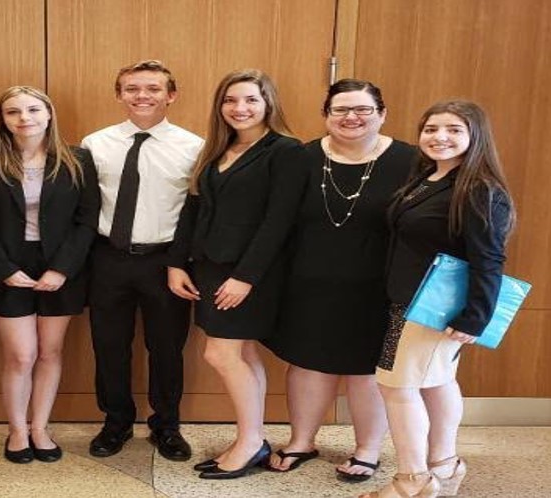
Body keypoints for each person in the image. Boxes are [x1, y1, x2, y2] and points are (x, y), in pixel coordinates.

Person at [263, 80, 415, 481]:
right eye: (341, 110)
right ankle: (301, 440)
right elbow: (278, 219)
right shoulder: (302, 157)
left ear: (382, 114)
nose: (352, 117)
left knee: (367, 370)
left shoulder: (410, 160)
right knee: (307, 363)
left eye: (363, 109)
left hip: (380, 286)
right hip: (307, 282)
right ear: (326, 115)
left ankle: (367, 449)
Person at [362, 100, 514, 498]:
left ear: (475, 137)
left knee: (395, 387)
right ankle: (445, 467)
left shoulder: (479, 190)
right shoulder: (427, 178)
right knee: (437, 382)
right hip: (407, 299)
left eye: (453, 129)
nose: (439, 137)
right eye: (431, 129)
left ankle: (412, 481)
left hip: (435, 308)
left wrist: (475, 317)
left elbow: (489, 259)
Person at [166, 70, 304, 479]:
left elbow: (279, 221)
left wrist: (246, 277)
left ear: (268, 103)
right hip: (210, 267)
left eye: (250, 100)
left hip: (249, 273)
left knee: (220, 354)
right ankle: (251, 437)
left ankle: (249, 442)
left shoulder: (286, 151)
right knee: (242, 354)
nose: (240, 108)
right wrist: (176, 262)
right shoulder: (217, 149)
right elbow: (192, 210)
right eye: (230, 100)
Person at [0, 86, 99, 464]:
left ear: (49, 113)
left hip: (61, 264)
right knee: (21, 356)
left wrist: (62, 269)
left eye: (33, 109)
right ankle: (17, 430)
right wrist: (3, 269)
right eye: (13, 112)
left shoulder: (77, 159)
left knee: (50, 352)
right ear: (2, 119)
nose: (24, 118)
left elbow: (88, 218)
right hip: (6, 264)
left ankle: (39, 427)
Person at [82, 60, 204, 461]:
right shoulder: (94, 143)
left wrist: (180, 261)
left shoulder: (194, 147)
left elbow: (195, 211)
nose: (142, 96)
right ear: (119, 95)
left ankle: (166, 426)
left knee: (166, 348)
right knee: (109, 346)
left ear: (171, 95)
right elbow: (86, 205)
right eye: (132, 88)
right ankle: (115, 422)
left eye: (153, 88)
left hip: (166, 261)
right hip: (108, 258)